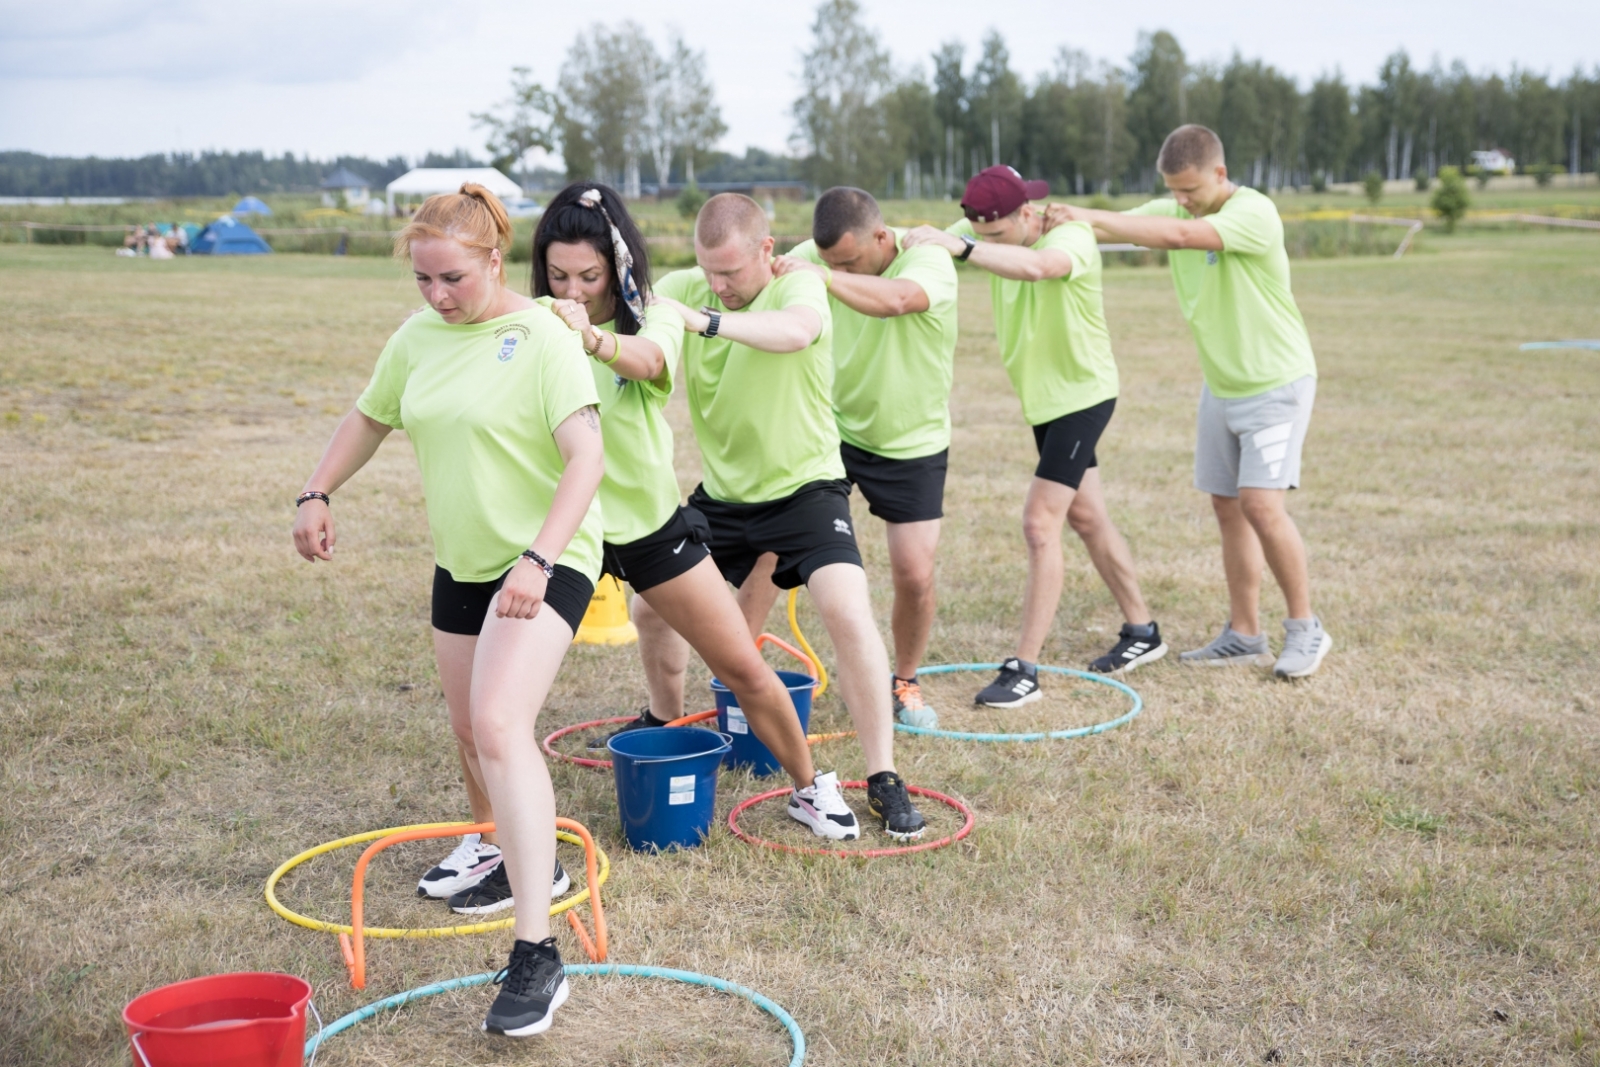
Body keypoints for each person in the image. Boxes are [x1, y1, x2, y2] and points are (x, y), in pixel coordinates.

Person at [440, 181, 860, 857]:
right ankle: (490, 840)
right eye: (557, 276)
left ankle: (811, 784)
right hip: (560, 535)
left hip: (645, 522)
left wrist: (593, 341)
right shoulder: (530, 325)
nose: (573, 290)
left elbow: (651, 360)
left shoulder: (655, 313)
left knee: (740, 666)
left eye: (589, 276)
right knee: (484, 711)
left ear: (619, 267)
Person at [292, 184, 601, 1037]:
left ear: (495, 260)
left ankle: (536, 952)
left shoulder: (542, 334)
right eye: (423, 280)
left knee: (500, 723)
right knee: (471, 731)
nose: (436, 296)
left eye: (452, 279)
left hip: (546, 556)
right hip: (464, 563)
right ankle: (511, 854)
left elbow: (586, 457)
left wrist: (539, 557)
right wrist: (317, 489)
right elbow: (369, 415)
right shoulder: (417, 337)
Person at [650, 192, 927, 840]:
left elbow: (796, 332)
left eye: (732, 273)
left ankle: (883, 774)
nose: (719, 285)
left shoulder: (797, 283)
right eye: (708, 272)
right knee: (648, 609)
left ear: (767, 252)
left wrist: (704, 320)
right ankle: (662, 723)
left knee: (846, 608)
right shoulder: (684, 287)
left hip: (806, 489)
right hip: (723, 497)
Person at [1042, 125, 1330, 678]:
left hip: (1276, 385)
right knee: (1227, 506)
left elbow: (1173, 237)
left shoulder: (1254, 212)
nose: (1181, 202)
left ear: (1220, 174)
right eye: (1173, 191)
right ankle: (1245, 634)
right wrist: (1053, 220)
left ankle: (1306, 629)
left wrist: (1093, 217)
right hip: (1221, 386)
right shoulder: (1175, 208)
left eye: (1191, 190)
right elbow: (1129, 223)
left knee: (1262, 506)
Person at [903, 166, 1167, 708]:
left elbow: (1040, 267)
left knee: (1039, 523)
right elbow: (939, 242)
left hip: (1082, 398)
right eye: (981, 235)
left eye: (996, 235)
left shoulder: (1070, 235)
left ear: (1026, 214)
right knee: (1087, 517)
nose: (987, 244)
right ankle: (1143, 631)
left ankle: (1024, 669)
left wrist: (962, 245)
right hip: (1046, 402)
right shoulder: (981, 230)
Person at [735, 186, 958, 730]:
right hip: (829, 431)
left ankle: (904, 679)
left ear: (882, 237)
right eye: (828, 259)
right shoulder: (815, 261)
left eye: (850, 261)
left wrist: (822, 276)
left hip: (911, 440)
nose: (836, 268)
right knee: (767, 548)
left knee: (914, 573)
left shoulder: (927, 256)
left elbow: (899, 300)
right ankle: (737, 677)